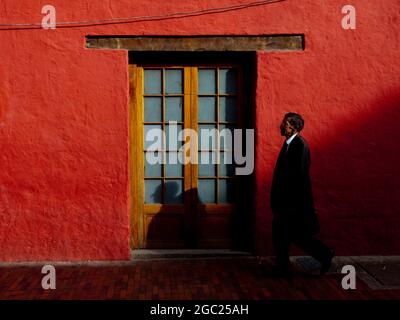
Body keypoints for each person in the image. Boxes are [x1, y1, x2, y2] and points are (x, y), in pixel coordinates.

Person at [269, 112, 334, 278]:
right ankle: (284, 266)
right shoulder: (289, 144)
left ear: (294, 127)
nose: (281, 126)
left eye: (285, 123)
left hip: (292, 204)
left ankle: (324, 254)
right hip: (285, 202)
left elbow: (300, 177)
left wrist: (292, 204)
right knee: (284, 235)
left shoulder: (300, 146)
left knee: (294, 236)